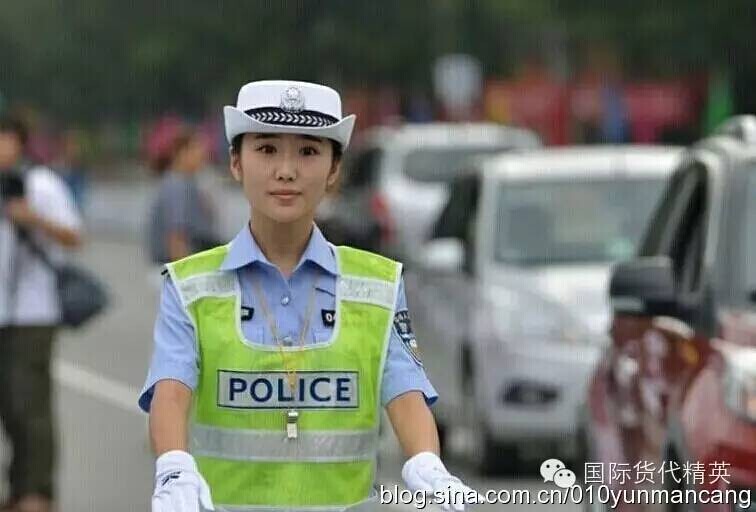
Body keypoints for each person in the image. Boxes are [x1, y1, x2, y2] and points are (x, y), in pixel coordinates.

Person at [140, 80, 481, 512]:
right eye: (267, 150)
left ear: (334, 170)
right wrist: (173, 464)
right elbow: (171, 391)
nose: (286, 171)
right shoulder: (189, 286)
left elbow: (406, 394)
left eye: (307, 152)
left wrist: (426, 463)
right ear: (236, 163)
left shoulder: (379, 284)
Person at [0, 114, 83, 512]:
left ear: (19, 144)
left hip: (32, 316)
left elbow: (74, 237)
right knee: (7, 407)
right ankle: (17, 489)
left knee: (29, 406)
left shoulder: (41, 184)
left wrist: (31, 218)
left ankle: (36, 493)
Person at [146, 123, 219, 265]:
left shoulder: (187, 183)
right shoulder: (177, 186)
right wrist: (187, 274)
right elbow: (176, 239)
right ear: (182, 153)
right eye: (197, 150)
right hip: (176, 268)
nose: (203, 156)